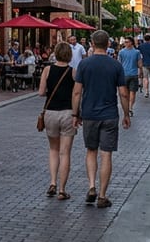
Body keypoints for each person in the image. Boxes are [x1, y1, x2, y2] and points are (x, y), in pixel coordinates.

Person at [73, 30, 129, 209]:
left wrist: (75, 113)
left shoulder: (84, 65)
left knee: (91, 151)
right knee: (106, 154)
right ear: (108, 45)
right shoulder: (116, 65)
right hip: (109, 114)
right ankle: (103, 195)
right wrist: (126, 114)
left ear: (92, 43)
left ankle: (91, 186)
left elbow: (76, 91)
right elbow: (123, 92)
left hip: (89, 114)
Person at [38, 42, 77, 200]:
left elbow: (41, 92)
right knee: (65, 152)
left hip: (50, 113)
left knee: (53, 150)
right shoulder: (74, 72)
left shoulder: (47, 70)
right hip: (68, 112)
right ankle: (62, 189)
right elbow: (77, 94)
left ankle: (52, 182)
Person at [118, 37, 141, 115]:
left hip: (131, 75)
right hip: (128, 74)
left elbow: (119, 63)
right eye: (125, 42)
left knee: (131, 92)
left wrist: (140, 72)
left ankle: (129, 107)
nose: (125, 43)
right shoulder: (136, 52)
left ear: (131, 42)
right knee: (130, 92)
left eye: (127, 42)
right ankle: (129, 107)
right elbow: (139, 64)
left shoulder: (122, 52)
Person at [138, 34, 150, 98]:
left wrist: (139, 63)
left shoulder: (141, 46)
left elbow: (139, 56)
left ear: (144, 39)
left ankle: (146, 92)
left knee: (145, 78)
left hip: (144, 64)